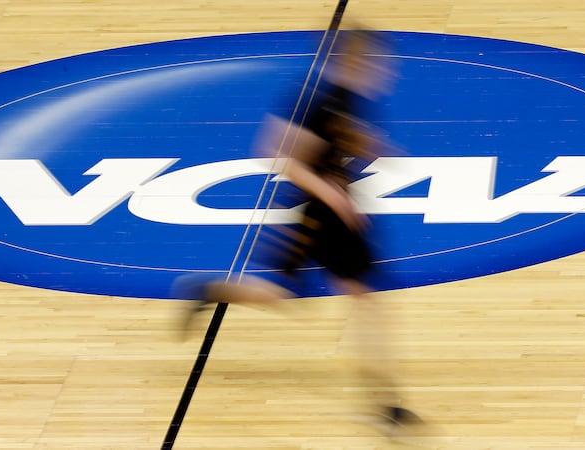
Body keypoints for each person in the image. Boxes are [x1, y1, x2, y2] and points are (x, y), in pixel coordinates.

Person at [173, 28, 421, 435]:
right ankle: (385, 405)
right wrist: (336, 196)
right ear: (356, 62)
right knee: (361, 303)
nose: (385, 71)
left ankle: (209, 291)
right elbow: (278, 155)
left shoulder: (348, 101)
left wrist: (371, 146)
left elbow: (339, 140)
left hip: (334, 215)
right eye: (378, 62)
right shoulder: (318, 101)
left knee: (296, 298)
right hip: (318, 218)